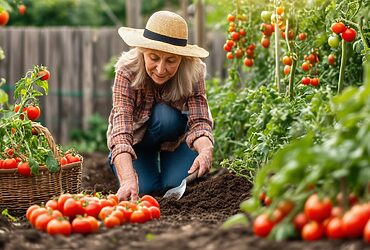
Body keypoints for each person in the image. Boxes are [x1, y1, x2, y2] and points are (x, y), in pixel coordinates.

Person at [106, 10, 214, 202]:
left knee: (174, 185)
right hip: (137, 141)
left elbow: (199, 121)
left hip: (175, 139)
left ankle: (169, 165)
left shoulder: (193, 72)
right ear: (142, 52)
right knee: (145, 189)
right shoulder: (127, 71)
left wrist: (205, 150)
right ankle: (132, 165)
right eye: (154, 58)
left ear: (182, 59)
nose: (161, 69)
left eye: (171, 60)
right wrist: (128, 179)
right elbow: (121, 131)